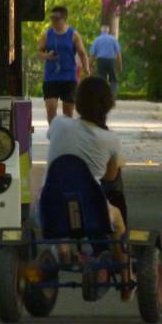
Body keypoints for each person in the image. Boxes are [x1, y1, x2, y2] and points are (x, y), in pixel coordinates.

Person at [46, 76, 130, 300]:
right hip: (90, 212)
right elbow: (111, 177)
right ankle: (125, 280)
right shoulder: (110, 139)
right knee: (118, 218)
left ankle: (61, 249)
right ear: (107, 106)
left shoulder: (59, 123)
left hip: (49, 207)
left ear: (78, 101)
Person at [37, 6, 90, 124]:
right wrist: (47, 56)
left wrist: (87, 69)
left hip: (68, 77)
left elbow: (82, 53)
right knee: (51, 107)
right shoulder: (47, 34)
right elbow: (39, 52)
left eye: (56, 18)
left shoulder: (73, 34)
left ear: (64, 19)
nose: (53, 21)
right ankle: (53, 134)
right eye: (51, 18)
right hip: (51, 77)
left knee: (68, 111)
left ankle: (66, 136)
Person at [90, 25, 122, 97]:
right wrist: (120, 64)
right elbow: (118, 53)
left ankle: (102, 96)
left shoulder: (97, 40)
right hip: (111, 61)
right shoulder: (113, 39)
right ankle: (112, 96)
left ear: (101, 31)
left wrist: (90, 64)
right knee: (113, 79)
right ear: (108, 31)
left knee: (101, 79)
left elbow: (92, 54)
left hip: (101, 61)